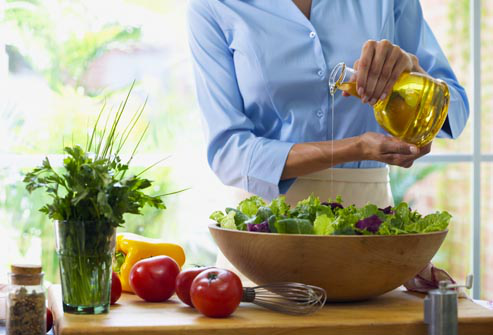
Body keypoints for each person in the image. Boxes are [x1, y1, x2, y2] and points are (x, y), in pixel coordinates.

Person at [187, 0, 469, 210]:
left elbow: (455, 107)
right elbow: (228, 152)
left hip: (370, 226)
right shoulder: (213, 6)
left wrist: (415, 74)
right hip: (265, 232)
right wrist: (355, 148)